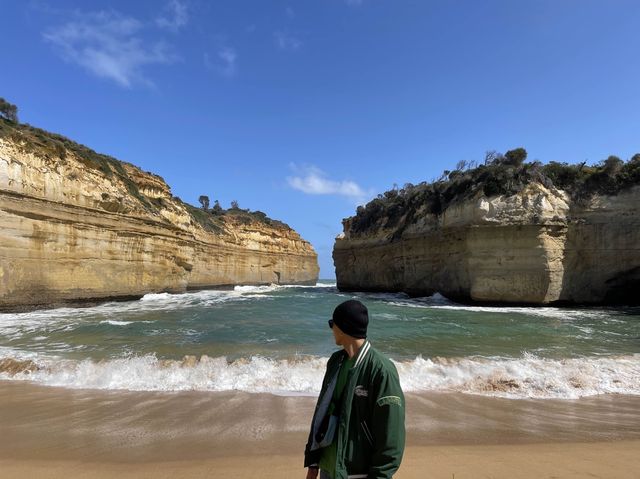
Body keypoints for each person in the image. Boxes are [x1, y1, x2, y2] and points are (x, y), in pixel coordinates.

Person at [304, 299, 405, 479]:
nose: (331, 328)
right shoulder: (335, 362)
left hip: (355, 472)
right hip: (328, 468)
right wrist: (313, 463)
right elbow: (321, 412)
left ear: (343, 327)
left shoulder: (382, 370)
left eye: (331, 323)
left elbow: (391, 438)